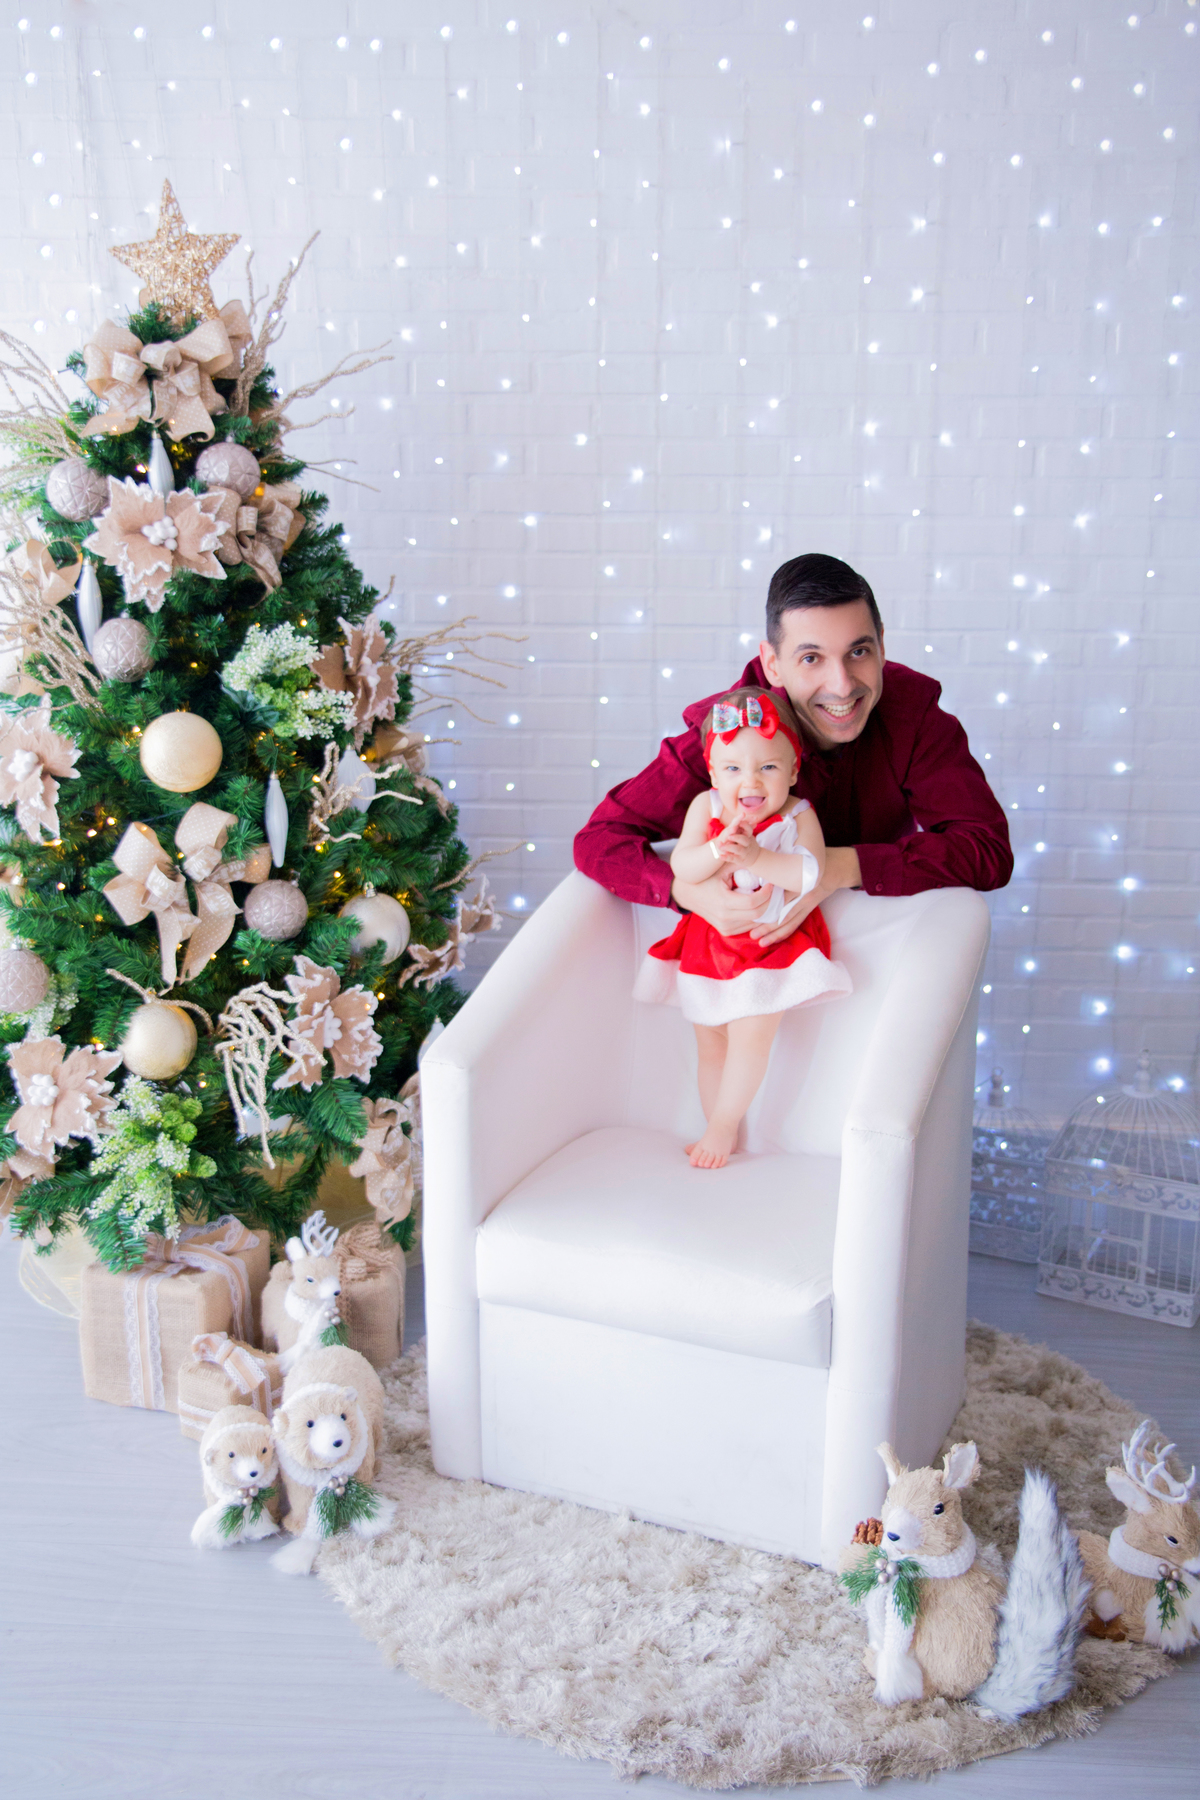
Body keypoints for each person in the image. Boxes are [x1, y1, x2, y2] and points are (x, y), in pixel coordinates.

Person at [574, 553, 1012, 951]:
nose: (842, 684)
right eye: (811, 658)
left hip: (877, 940)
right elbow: (599, 840)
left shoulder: (914, 716)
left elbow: (988, 852)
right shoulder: (727, 732)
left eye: (859, 651)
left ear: (881, 643)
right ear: (772, 663)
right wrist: (687, 893)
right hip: (748, 952)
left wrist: (836, 868)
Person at [633, 686, 851, 1168]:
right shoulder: (707, 809)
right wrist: (715, 851)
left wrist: (757, 857)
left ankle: (723, 1126)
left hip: (769, 946)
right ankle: (716, 1126)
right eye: (732, 768)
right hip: (709, 947)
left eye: (768, 767)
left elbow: (808, 874)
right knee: (711, 1040)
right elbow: (684, 867)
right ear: (713, 772)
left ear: (794, 770)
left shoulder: (797, 815)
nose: (749, 781)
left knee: (751, 1037)